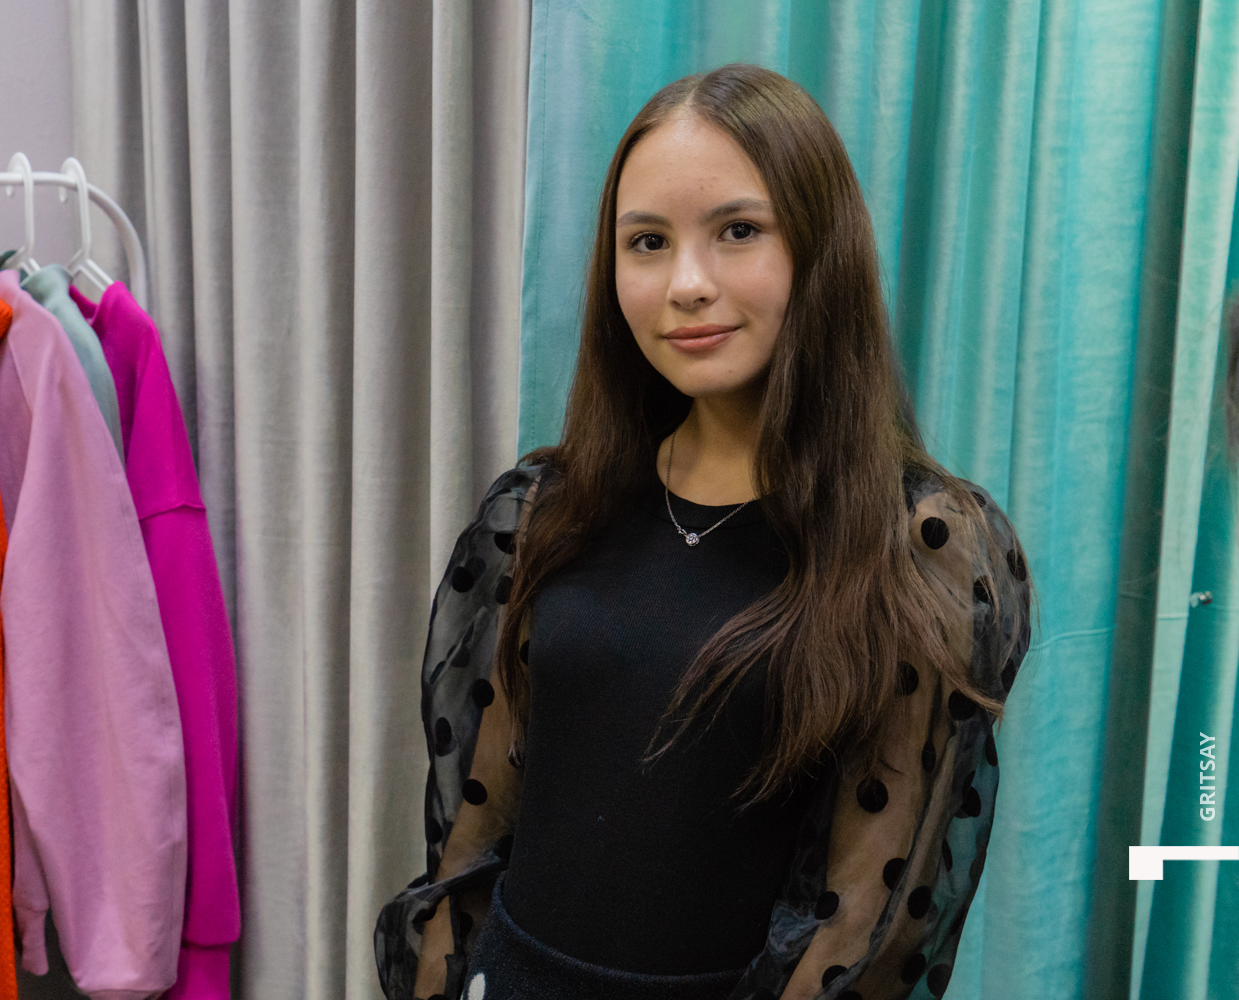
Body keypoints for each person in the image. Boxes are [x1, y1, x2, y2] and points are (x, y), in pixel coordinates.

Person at [375, 63, 1034, 1000]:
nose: (687, 284)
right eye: (647, 242)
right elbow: (473, 840)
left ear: (821, 246)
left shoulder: (918, 548)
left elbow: (867, 931)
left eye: (737, 231)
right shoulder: (545, 508)